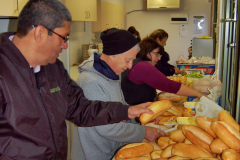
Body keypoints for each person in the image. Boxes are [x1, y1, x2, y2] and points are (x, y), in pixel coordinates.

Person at [0, 1, 154, 159]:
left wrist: (125, 111)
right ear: (40, 33)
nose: (66, 45)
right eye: (64, 37)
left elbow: (82, 109)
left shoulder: (53, 69)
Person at [71, 28, 166, 160]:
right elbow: (107, 127)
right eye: (128, 60)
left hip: (112, 151)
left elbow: (118, 108)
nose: (130, 66)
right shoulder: (91, 83)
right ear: (113, 55)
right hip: (95, 155)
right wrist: (142, 132)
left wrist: (138, 114)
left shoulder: (113, 74)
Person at [121, 37, 207, 105]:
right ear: (147, 52)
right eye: (157, 54)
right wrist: (198, 94)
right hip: (134, 114)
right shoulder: (142, 66)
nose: (159, 58)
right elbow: (169, 85)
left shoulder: (139, 63)